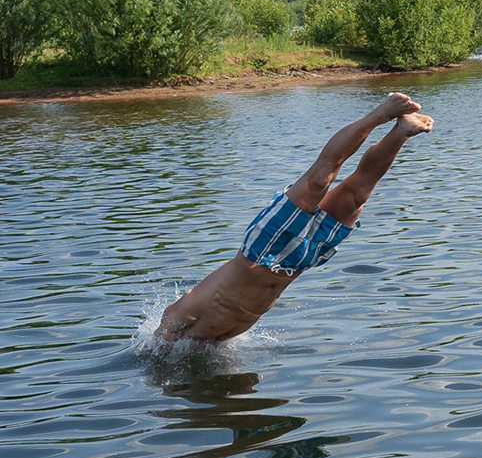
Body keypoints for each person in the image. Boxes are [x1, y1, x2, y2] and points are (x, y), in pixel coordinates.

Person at [152, 93, 433, 344]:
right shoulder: (205, 343)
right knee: (358, 194)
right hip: (299, 262)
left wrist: (159, 346)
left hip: (261, 250)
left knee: (319, 178)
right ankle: (401, 132)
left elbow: (167, 323)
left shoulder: (176, 324)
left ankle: (382, 113)